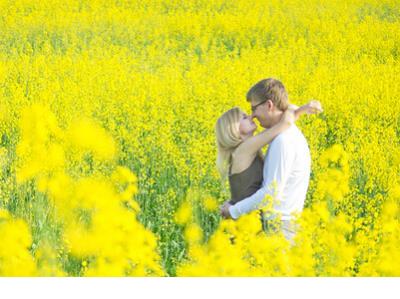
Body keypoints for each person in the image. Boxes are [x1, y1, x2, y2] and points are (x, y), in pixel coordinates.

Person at [217, 78, 322, 242]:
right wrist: (297, 110)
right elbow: (285, 120)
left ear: (269, 105)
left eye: (253, 109)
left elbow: (271, 192)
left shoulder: (282, 140)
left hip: (278, 227)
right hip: (260, 228)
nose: (252, 116)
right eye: (245, 117)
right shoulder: (252, 147)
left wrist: (233, 210)